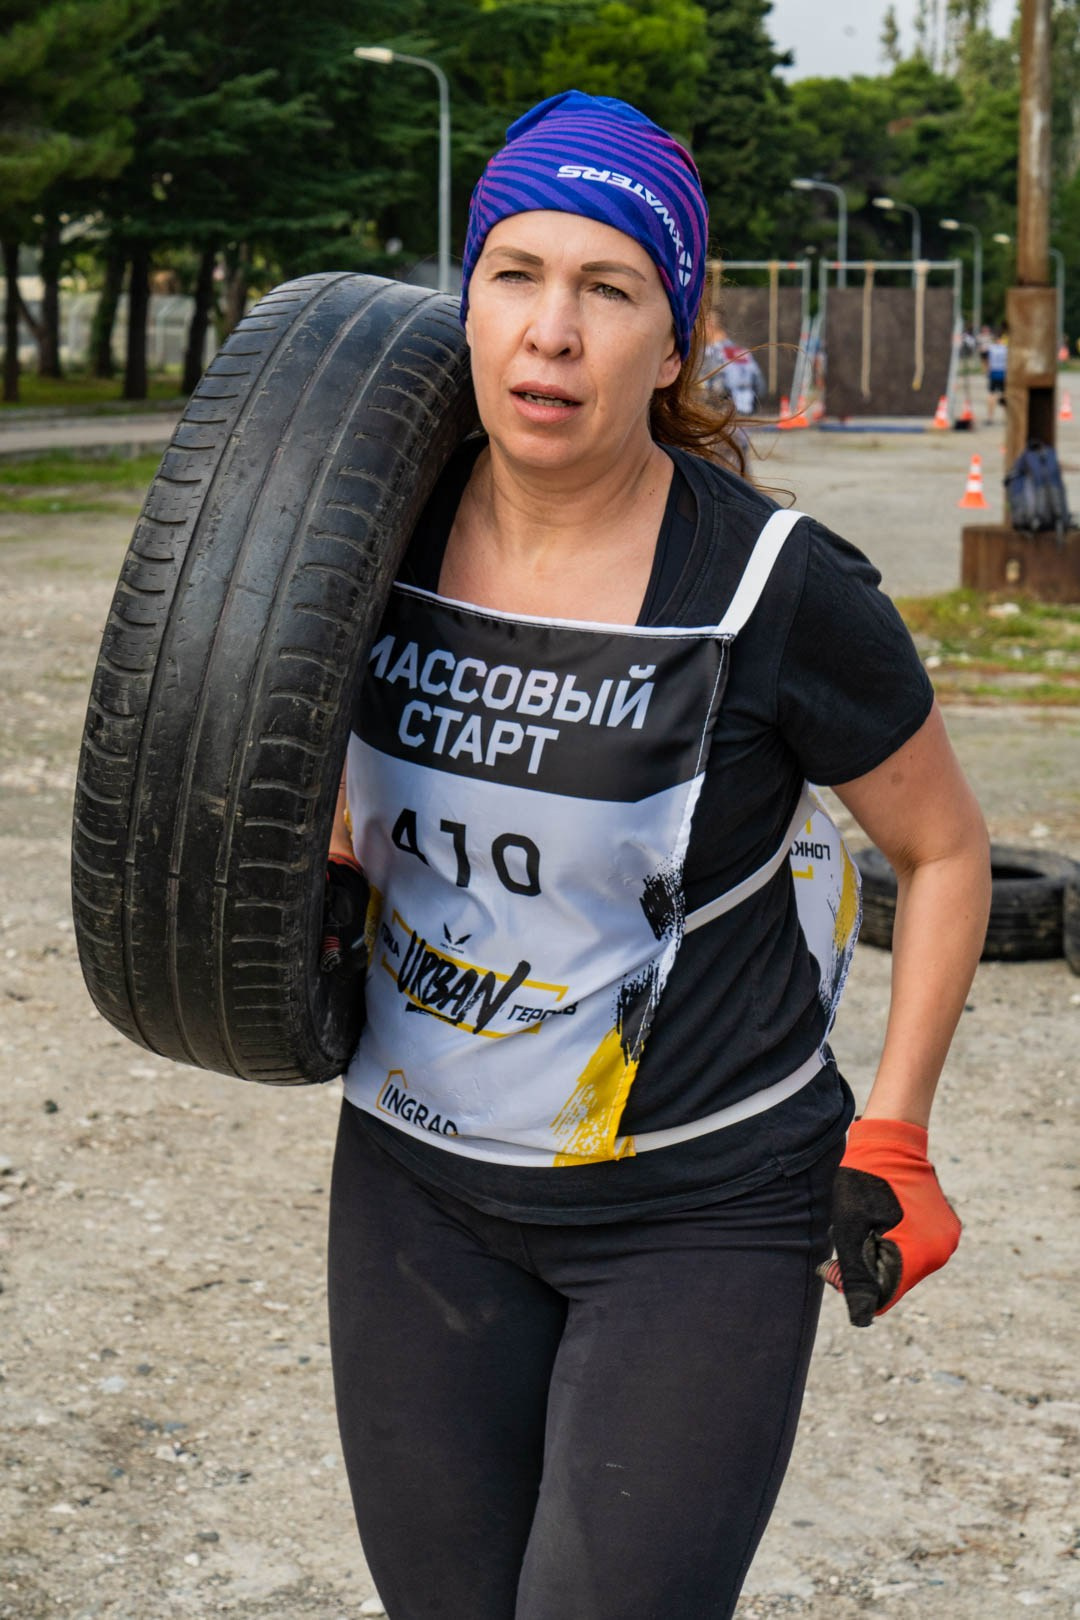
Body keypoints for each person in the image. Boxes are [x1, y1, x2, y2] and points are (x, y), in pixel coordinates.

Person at [324, 90, 991, 1620]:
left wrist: (894, 1136)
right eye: (516, 276)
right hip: (418, 1180)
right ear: (468, 305)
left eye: (610, 289)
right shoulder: (360, 540)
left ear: (675, 340)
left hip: (700, 1204)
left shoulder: (770, 581)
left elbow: (947, 853)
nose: (552, 331)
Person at [701, 306, 765, 416]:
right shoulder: (741, 351)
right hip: (749, 413)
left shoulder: (712, 353)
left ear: (709, 326)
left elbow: (711, 388)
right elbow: (760, 385)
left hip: (723, 416)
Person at [985, 325, 1008, 424]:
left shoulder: (991, 348)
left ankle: (990, 418)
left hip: (994, 373)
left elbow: (987, 361)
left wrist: (987, 371)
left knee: (992, 395)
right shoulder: (1006, 349)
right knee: (1005, 396)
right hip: (1004, 373)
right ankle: (1006, 418)